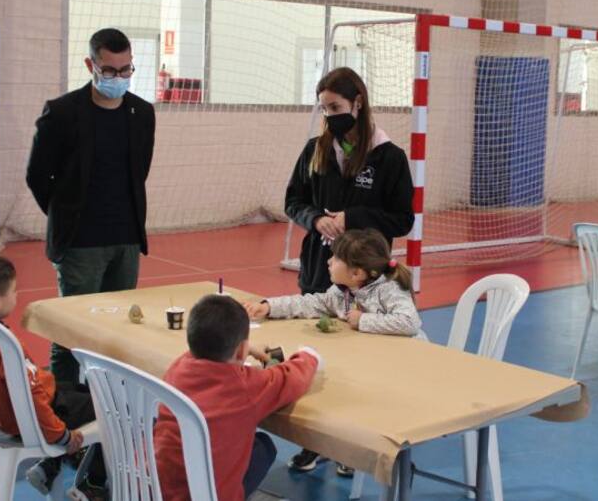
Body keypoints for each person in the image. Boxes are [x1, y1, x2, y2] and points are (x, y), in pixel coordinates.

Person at [26, 28, 156, 383]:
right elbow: (38, 177)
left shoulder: (142, 113)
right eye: (110, 70)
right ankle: (66, 401)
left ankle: (110, 403)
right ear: (91, 65)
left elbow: (139, 171)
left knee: (118, 328)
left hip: (126, 238)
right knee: (72, 331)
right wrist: (65, 213)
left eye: (126, 69)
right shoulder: (62, 112)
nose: (119, 77)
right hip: (80, 242)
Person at [245, 228, 421, 474]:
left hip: (403, 370)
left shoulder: (389, 289)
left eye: (336, 258)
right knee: (331, 385)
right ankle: (327, 444)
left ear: (357, 272)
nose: (329, 261)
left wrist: (363, 320)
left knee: (351, 393)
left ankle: (355, 449)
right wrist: (268, 307)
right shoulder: (342, 291)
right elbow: (311, 302)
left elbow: (409, 322)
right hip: (367, 363)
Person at [0, 255, 107, 500]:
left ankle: (49, 466)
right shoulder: (3, 343)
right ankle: (93, 485)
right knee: (111, 408)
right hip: (26, 420)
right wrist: (62, 436)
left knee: (80, 390)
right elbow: (31, 398)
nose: (17, 295)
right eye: (14, 290)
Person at [154, 295, 321, 501]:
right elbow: (291, 379)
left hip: (154, 487)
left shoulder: (178, 367)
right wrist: (308, 355)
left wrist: (240, 351)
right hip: (209, 495)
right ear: (242, 349)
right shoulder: (244, 386)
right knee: (263, 447)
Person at [285, 67, 414, 297]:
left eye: (335, 107)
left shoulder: (390, 157)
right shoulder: (314, 150)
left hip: (365, 279)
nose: (330, 115)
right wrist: (316, 219)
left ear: (358, 103)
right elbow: (293, 202)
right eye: (324, 109)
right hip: (318, 275)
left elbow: (402, 221)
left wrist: (353, 217)